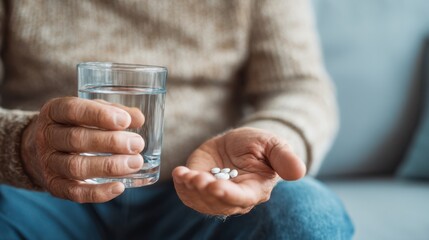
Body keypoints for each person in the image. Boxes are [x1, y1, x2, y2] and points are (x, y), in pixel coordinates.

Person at [0, 0, 354, 239]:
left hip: (197, 198)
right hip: (40, 193)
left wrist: (266, 142)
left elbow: (299, 87)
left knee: (307, 214)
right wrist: (23, 144)